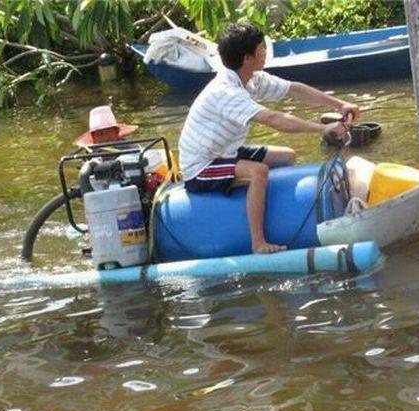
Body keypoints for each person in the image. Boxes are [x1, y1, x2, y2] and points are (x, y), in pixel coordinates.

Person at [178, 23, 359, 254]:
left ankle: (268, 204)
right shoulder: (225, 92)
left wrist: (340, 104)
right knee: (258, 171)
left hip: (226, 150)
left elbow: (294, 89)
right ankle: (258, 243)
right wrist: (320, 129)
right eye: (261, 48)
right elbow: (274, 119)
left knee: (286, 156)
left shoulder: (251, 78)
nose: (265, 51)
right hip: (201, 165)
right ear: (247, 58)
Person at [74, 105, 139, 148]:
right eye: (100, 134)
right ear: (94, 138)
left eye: (108, 132)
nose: (105, 138)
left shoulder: (131, 147)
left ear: (116, 132)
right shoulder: (91, 155)